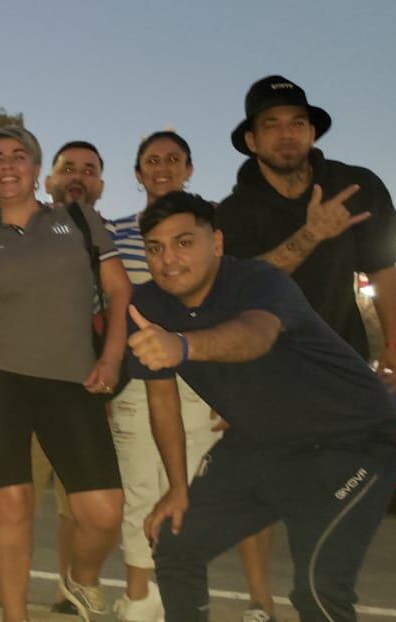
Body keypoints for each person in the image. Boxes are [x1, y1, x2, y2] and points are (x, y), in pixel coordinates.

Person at [128, 191, 396, 622]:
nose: (169, 259)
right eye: (155, 248)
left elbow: (254, 334)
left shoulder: (259, 282)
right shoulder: (147, 306)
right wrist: (178, 487)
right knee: (175, 540)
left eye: (184, 242)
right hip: (261, 443)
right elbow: (161, 399)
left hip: (352, 441)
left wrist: (182, 346)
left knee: (317, 588)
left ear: (216, 243)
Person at [0, 126, 130, 622]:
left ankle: (82, 577)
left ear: (36, 172)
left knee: (105, 512)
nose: (7, 164)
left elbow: (119, 292)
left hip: (71, 377)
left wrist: (110, 358)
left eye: (18, 156)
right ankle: (14, 616)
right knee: (12, 505)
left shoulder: (78, 219)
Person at [102, 132, 227, 621]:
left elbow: (227, 309)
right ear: (137, 174)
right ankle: (137, 600)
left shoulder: (209, 225)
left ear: (189, 168)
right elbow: (107, 302)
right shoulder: (114, 233)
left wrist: (227, 389)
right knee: (140, 489)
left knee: (187, 496)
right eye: (151, 160)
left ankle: (182, 599)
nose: (162, 167)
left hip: (199, 377)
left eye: (173, 159)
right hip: (139, 373)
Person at [217, 75, 396, 390]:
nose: (287, 134)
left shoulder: (355, 186)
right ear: (252, 141)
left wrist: (394, 345)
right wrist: (310, 235)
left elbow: (381, 265)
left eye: (297, 123)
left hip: (345, 366)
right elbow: (242, 287)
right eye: (272, 125)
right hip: (267, 377)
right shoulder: (231, 213)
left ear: (312, 132)